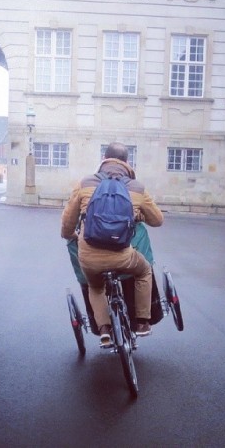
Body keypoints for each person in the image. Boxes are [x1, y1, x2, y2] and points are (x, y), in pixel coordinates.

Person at [61, 142, 164, 346]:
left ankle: (105, 329)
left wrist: (71, 234)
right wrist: (138, 215)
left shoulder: (85, 183)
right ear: (127, 162)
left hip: (90, 256)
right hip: (122, 254)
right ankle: (142, 322)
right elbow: (157, 220)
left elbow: (67, 223)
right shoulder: (137, 187)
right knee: (144, 271)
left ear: (103, 160)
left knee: (96, 287)